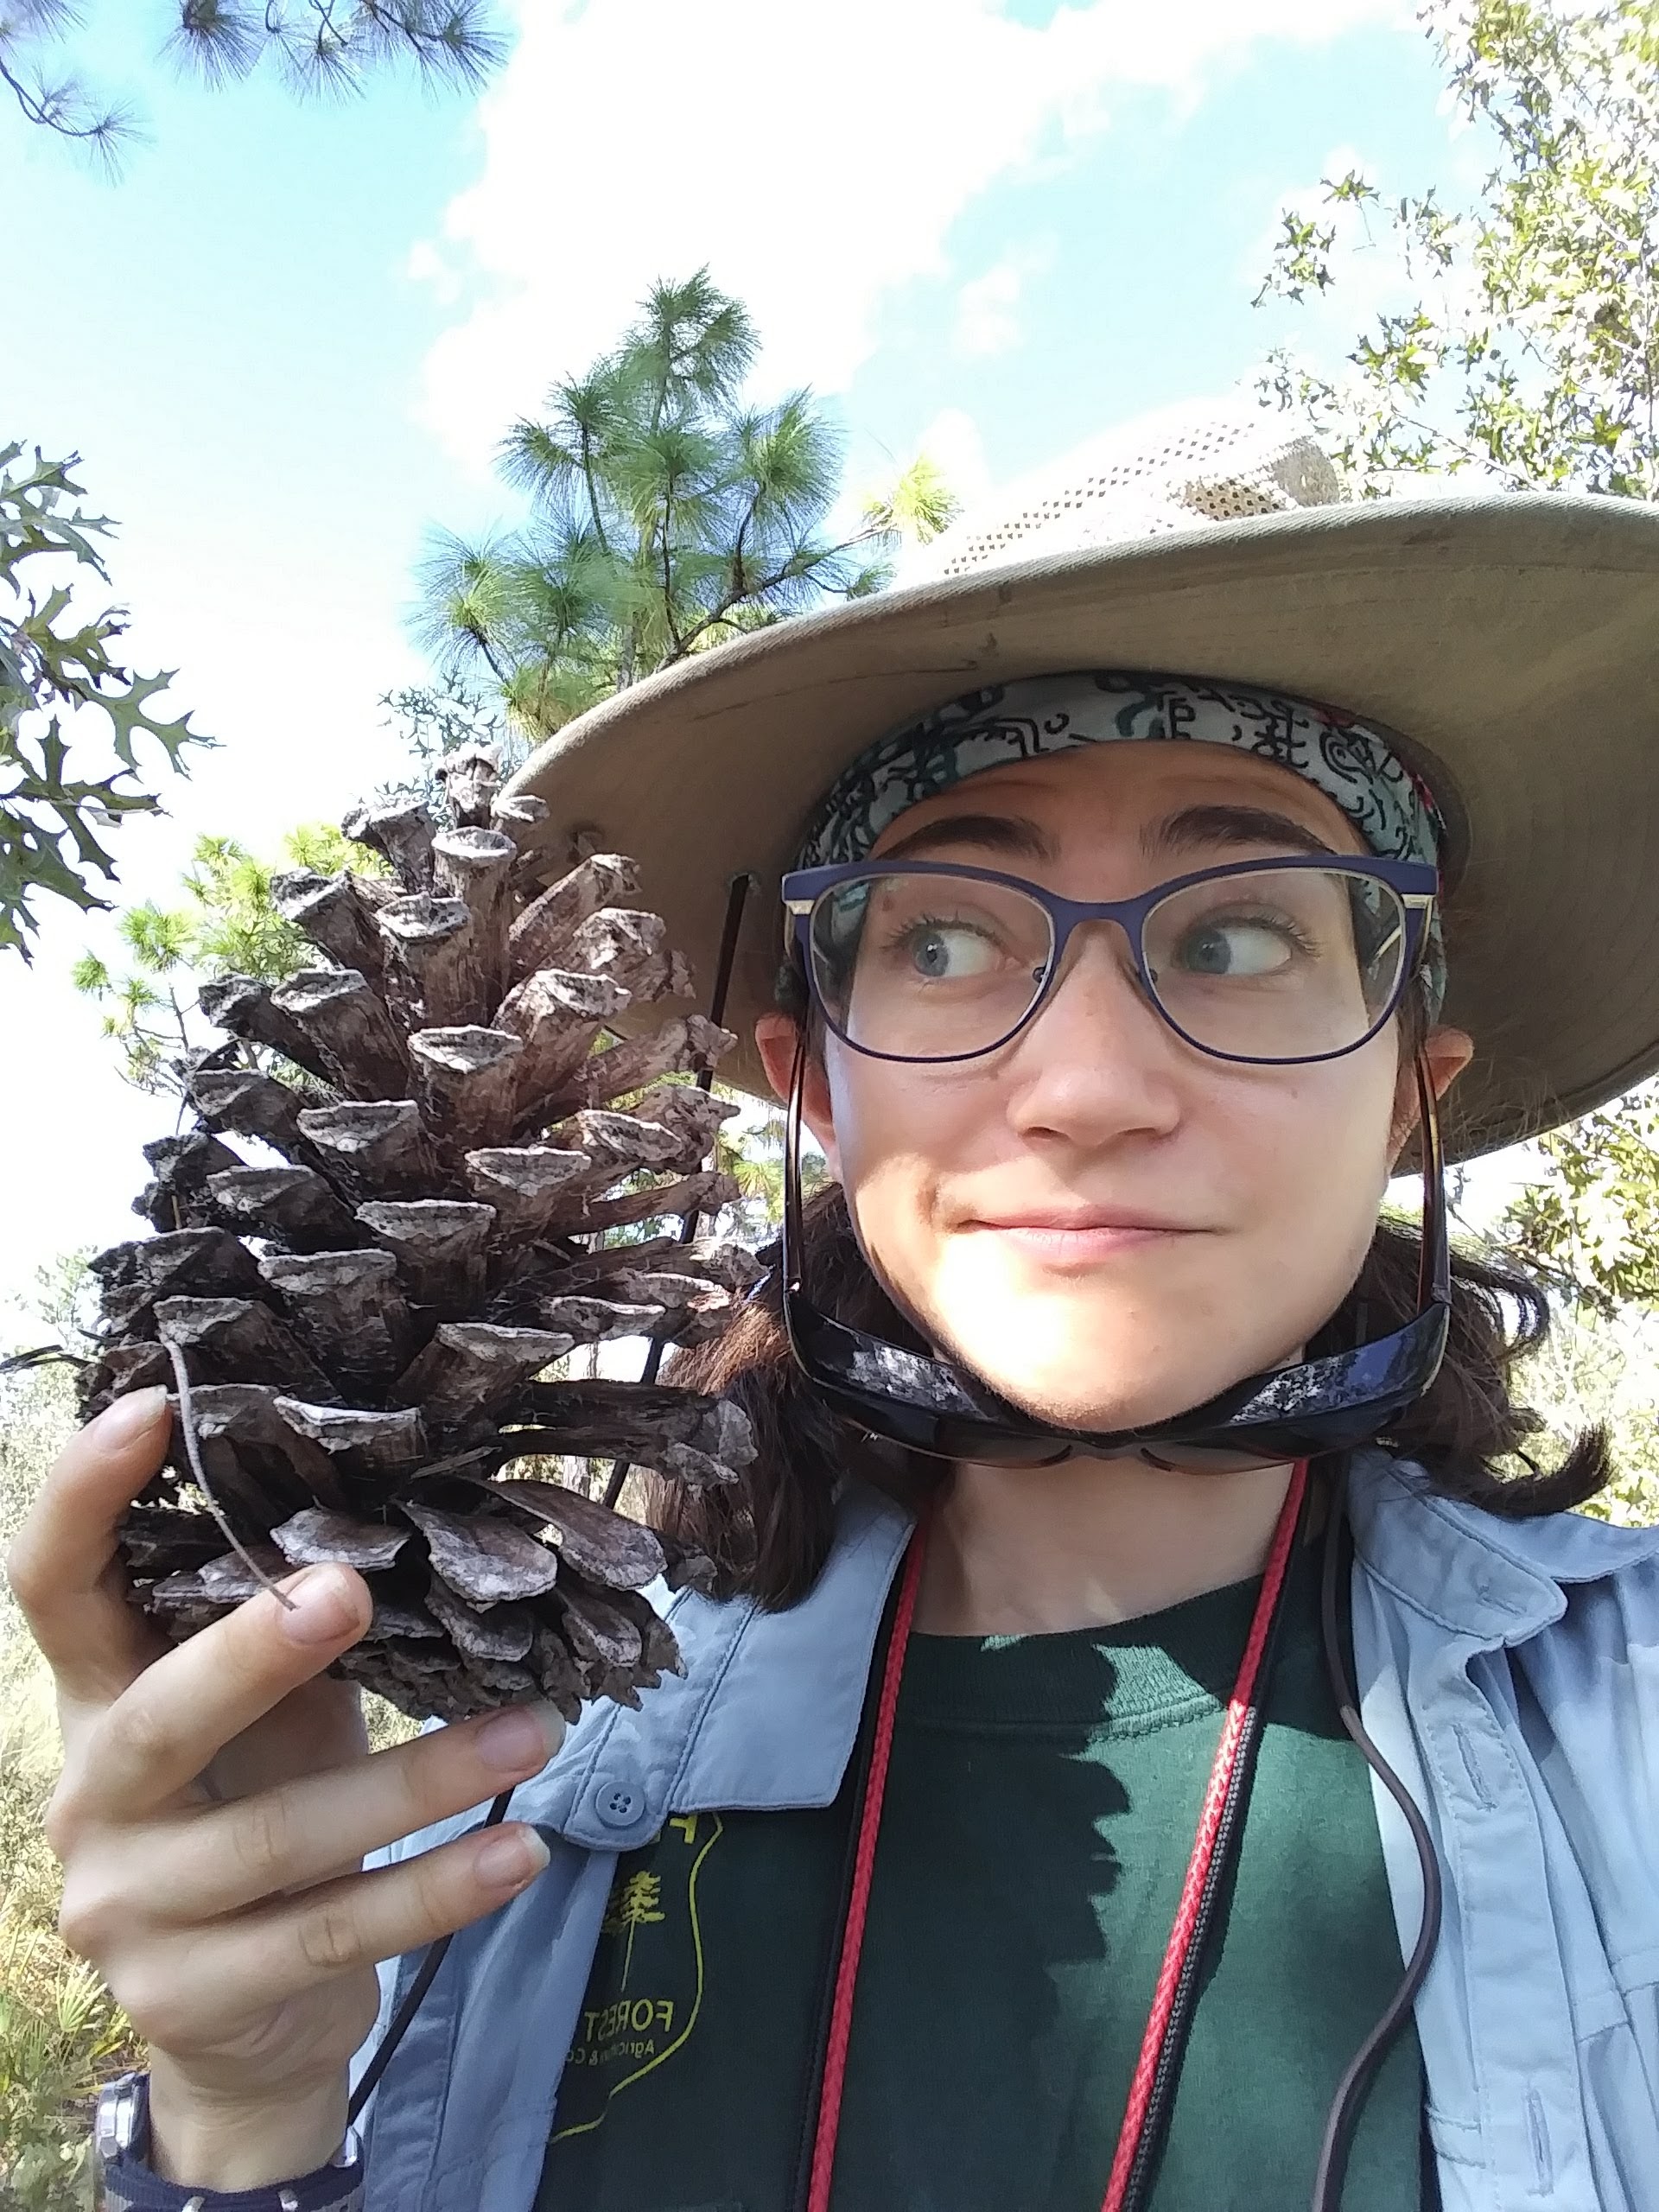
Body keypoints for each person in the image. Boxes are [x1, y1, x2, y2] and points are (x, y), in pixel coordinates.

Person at [11, 410, 1659, 2212]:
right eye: (946, 937)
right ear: (812, 1085)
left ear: (1411, 1091)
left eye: (1242, 931)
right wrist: (249, 2112)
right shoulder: (510, 1795)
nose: (1089, 1083)